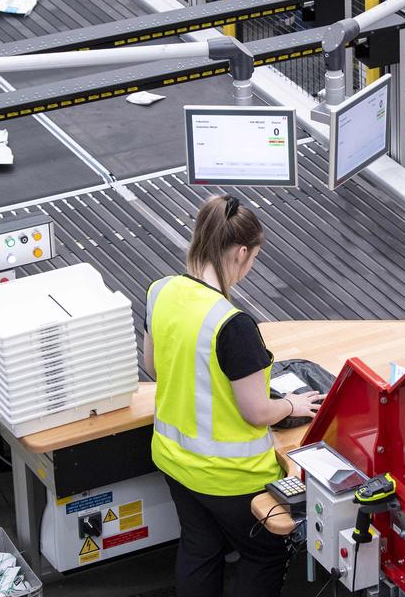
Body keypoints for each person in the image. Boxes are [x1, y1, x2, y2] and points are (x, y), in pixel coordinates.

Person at [143, 195, 324, 597]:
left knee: (200, 547)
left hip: (174, 462)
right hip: (232, 480)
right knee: (264, 554)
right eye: (254, 256)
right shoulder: (234, 325)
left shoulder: (160, 291)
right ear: (241, 252)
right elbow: (258, 411)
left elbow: (155, 368)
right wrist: (293, 405)